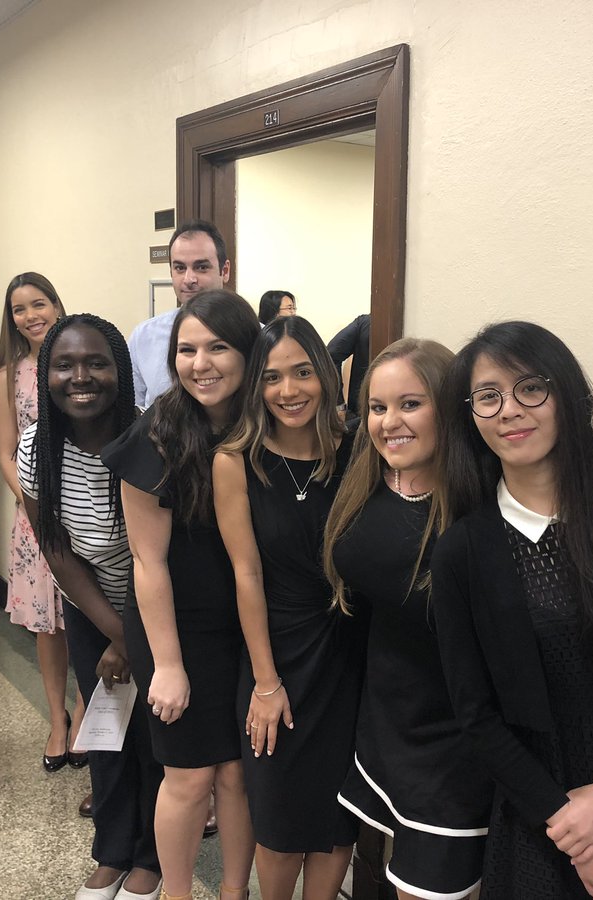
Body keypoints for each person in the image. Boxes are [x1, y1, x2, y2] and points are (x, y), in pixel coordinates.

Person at [431, 321, 593, 899]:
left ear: (566, 394)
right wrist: (577, 831)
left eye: (531, 388)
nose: (509, 410)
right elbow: (476, 715)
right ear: (470, 417)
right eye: (488, 396)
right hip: (540, 812)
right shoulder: (464, 550)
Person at [103, 290, 261, 900]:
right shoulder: (158, 432)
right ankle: (176, 894)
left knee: (240, 776)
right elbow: (148, 561)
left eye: (218, 347)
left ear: (248, 353)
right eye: (187, 350)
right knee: (190, 777)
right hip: (176, 628)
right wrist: (166, 665)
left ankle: (234, 892)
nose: (201, 363)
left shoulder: (262, 424)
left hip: (247, 626)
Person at [324, 338, 495, 900]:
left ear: (448, 408)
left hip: (452, 741)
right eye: (377, 407)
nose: (388, 422)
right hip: (383, 720)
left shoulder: (478, 503)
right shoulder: (367, 476)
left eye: (410, 404)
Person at [213, 316, 364, 900]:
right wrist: (267, 681)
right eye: (272, 377)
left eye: (303, 372)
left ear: (325, 376)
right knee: (276, 816)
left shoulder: (358, 450)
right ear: (257, 386)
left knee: (336, 818)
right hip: (276, 652)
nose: (289, 390)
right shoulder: (237, 461)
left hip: (349, 654)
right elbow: (246, 574)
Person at [18, 314, 163, 900]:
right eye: (65, 364)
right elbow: (57, 550)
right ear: (46, 374)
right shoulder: (38, 447)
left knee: (156, 736)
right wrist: (113, 633)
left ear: (120, 371)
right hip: (89, 601)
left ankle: (152, 858)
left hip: (161, 605)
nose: (81, 376)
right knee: (106, 733)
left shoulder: (152, 439)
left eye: (97, 363)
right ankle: (112, 851)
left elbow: (169, 553)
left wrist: (132, 637)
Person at [0, 272, 90, 773]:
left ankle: (85, 710)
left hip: (85, 509)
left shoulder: (76, 360)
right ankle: (57, 719)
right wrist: (33, 504)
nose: (30, 316)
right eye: (18, 309)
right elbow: (6, 451)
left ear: (56, 303)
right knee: (48, 626)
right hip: (34, 518)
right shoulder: (10, 373)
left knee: (86, 616)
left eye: (39, 303)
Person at [129, 220, 231, 410]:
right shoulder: (144, 337)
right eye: (180, 268)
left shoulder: (255, 334)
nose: (189, 279)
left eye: (201, 267)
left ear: (224, 271)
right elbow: (134, 410)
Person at [328, 313, 370, 422]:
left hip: (359, 412)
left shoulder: (364, 323)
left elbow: (329, 356)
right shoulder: (365, 323)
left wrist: (338, 404)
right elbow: (330, 357)